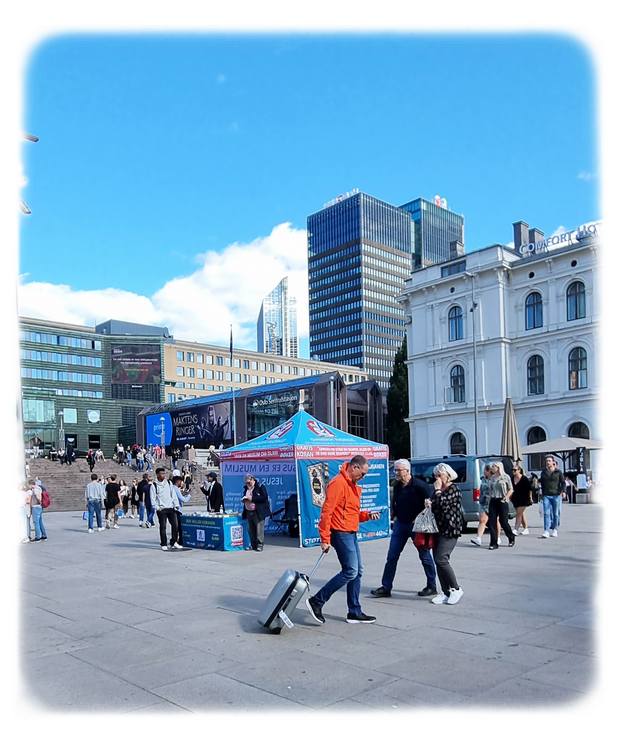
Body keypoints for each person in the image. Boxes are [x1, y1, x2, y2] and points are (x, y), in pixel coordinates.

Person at [306, 455, 381, 624]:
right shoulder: (338, 483)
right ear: (354, 467)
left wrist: (367, 515)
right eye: (362, 474)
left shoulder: (352, 485)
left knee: (357, 571)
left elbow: (351, 513)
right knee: (351, 571)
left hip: (350, 532)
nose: (363, 477)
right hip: (340, 533)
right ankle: (317, 601)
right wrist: (324, 538)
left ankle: (354, 611)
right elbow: (327, 512)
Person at [370, 458, 437, 599]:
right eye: (395, 470)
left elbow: (430, 506)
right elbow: (396, 501)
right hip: (400, 524)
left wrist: (419, 518)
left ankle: (432, 586)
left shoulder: (421, 486)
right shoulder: (398, 485)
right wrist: (394, 515)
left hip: (417, 526)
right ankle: (386, 587)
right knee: (392, 556)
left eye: (398, 470)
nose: (396, 473)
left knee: (424, 556)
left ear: (407, 471)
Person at [426, 463, 463, 604]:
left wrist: (437, 492)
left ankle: (456, 588)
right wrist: (429, 502)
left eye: (439, 475)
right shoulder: (436, 490)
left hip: (450, 529)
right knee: (437, 560)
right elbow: (435, 505)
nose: (437, 478)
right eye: (435, 475)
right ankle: (446, 592)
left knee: (442, 559)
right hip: (437, 528)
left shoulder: (454, 489)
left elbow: (443, 504)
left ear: (447, 475)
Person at [487, 462, 516, 550]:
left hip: (502, 500)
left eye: (494, 466)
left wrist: (507, 497)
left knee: (503, 521)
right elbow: (490, 490)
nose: (492, 468)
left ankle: (511, 537)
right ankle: (493, 543)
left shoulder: (505, 477)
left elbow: (511, 489)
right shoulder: (492, 478)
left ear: (499, 467)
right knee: (492, 522)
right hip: (493, 500)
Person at [150, 467, 181, 550]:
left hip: (170, 507)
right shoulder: (154, 485)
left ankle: (173, 542)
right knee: (163, 526)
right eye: (161, 473)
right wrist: (157, 507)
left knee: (175, 525)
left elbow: (173, 494)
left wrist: (176, 504)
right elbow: (152, 498)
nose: (163, 475)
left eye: (164, 473)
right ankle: (163, 543)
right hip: (162, 509)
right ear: (157, 474)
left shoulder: (168, 482)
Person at [470, 464, 501, 547]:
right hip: (483, 503)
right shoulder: (483, 479)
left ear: (488, 471)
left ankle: (497, 538)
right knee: (482, 520)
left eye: (484, 470)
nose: (483, 472)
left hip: (493, 502)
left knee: (495, 521)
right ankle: (478, 538)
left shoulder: (495, 479)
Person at [241, 474, 270, 551]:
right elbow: (245, 496)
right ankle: (253, 545)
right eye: (246, 483)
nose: (247, 484)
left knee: (259, 529)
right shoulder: (246, 488)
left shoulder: (260, 487)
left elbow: (264, 498)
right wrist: (244, 499)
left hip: (258, 511)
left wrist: (252, 498)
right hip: (248, 511)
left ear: (252, 480)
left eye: (249, 482)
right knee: (251, 529)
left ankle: (260, 544)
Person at [539, 455, 565, 538]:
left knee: (556, 513)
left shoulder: (558, 472)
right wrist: (541, 494)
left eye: (549, 461)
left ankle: (555, 529)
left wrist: (563, 491)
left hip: (556, 495)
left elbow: (563, 482)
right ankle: (546, 530)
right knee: (546, 513)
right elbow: (542, 483)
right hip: (546, 495)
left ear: (553, 462)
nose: (548, 462)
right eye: (546, 461)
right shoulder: (543, 472)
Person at [511, 465, 533, 535]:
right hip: (515, 499)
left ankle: (515, 529)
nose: (513, 471)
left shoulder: (524, 478)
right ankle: (526, 528)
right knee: (521, 514)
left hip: (524, 499)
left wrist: (530, 498)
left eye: (515, 470)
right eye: (513, 470)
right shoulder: (512, 478)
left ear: (519, 470)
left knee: (519, 514)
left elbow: (530, 489)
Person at [171, 471, 191, 547]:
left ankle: (175, 540)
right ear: (178, 481)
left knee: (176, 526)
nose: (182, 483)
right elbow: (183, 499)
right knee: (178, 527)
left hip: (174, 509)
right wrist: (189, 495)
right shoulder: (175, 488)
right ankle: (177, 541)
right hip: (177, 510)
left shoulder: (173, 488)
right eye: (181, 481)